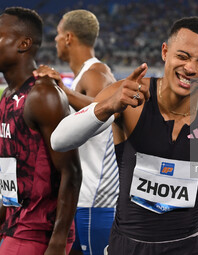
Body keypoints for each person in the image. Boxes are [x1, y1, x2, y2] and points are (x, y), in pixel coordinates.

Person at [36, 17, 198, 255]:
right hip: (128, 247)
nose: (190, 68)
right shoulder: (128, 95)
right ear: (165, 52)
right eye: (183, 56)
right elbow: (60, 140)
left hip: (187, 247)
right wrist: (107, 106)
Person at [36, 9, 119, 255]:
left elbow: (106, 111)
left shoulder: (96, 72)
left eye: (58, 35)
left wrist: (64, 91)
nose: (56, 41)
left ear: (69, 38)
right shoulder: (83, 74)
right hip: (83, 199)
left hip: (95, 202)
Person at [0, 7, 82, 255]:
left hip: (37, 234)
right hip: (15, 226)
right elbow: (11, 176)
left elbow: (71, 171)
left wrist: (57, 242)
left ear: (23, 44)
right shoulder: (8, 96)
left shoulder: (43, 95)